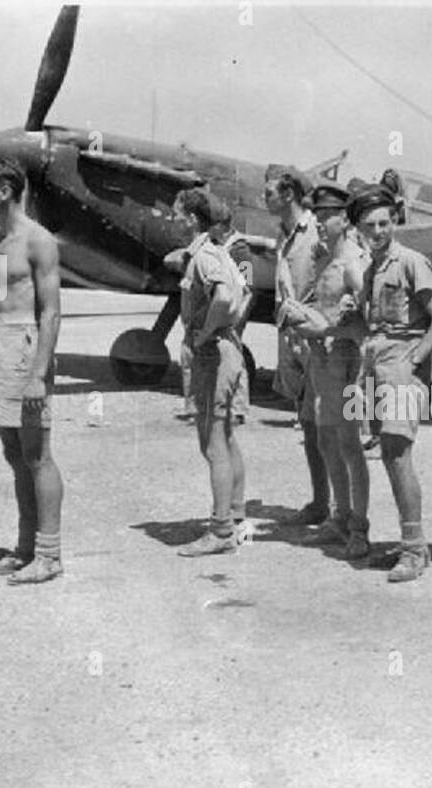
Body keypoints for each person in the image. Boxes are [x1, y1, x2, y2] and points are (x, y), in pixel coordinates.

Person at [345, 184, 432, 582]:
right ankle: (408, 543)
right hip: (374, 363)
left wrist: (417, 360)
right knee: (385, 452)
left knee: (398, 452)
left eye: (385, 223)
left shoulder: (411, 261)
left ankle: (414, 549)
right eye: (370, 225)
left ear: (395, 222)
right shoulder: (372, 268)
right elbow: (371, 327)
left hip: (401, 368)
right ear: (358, 229)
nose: (378, 231)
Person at [0, 158, 65, 584]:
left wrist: (39, 372)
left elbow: (52, 313)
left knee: (37, 455)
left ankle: (49, 554)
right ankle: (25, 549)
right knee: (14, 456)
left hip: (27, 349)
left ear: (4, 190)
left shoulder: (38, 240)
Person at [278, 182, 371, 557]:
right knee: (325, 439)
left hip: (349, 363)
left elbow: (370, 322)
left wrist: (325, 328)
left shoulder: (354, 262)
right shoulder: (323, 258)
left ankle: (360, 530)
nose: (319, 221)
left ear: (345, 219)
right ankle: (339, 517)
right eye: (316, 215)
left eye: (328, 215)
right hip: (323, 361)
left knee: (350, 444)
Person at [168, 188, 252, 557]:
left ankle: (220, 531)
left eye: (176, 214)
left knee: (212, 441)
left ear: (191, 219)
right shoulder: (219, 250)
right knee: (226, 436)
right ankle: (233, 514)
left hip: (212, 351)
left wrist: (204, 332)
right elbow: (244, 293)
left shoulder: (202, 256)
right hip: (228, 347)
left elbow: (224, 297)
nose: (172, 220)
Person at [266, 164, 331, 526]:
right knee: (308, 426)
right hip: (292, 339)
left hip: (318, 340)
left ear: (288, 194)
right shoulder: (283, 235)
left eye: (270, 191)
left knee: (329, 428)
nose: (265, 197)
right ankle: (321, 503)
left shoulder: (315, 233)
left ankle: (341, 510)